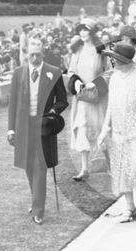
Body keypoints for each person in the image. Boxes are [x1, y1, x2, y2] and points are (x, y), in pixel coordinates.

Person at [7, 36, 69, 225]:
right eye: (31, 55)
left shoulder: (54, 72)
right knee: (28, 165)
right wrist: (10, 129)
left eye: (38, 54)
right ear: (27, 54)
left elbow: (62, 100)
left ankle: (39, 209)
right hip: (23, 127)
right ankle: (36, 201)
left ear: (43, 53)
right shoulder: (18, 73)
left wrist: (53, 111)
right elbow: (13, 103)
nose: (34, 59)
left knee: (40, 167)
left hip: (44, 127)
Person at [97, 43, 136, 222]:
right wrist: (104, 130)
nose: (112, 61)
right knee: (122, 170)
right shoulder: (115, 78)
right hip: (118, 131)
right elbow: (111, 106)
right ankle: (129, 207)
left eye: (115, 59)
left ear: (123, 60)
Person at [65, 21, 110, 181]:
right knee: (82, 129)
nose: (83, 33)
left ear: (92, 32)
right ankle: (84, 169)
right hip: (82, 98)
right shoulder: (77, 51)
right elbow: (71, 71)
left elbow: (109, 72)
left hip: (97, 98)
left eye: (86, 30)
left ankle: (109, 163)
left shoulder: (101, 51)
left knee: (100, 129)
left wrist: (95, 83)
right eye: (80, 30)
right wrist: (76, 81)